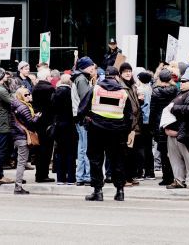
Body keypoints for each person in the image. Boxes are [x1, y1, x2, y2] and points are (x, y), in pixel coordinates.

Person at [79, 66, 132, 202]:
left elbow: (82, 108)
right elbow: (129, 116)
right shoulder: (123, 93)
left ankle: (98, 191)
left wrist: (84, 120)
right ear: (116, 77)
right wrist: (125, 130)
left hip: (96, 130)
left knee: (96, 160)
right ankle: (120, 191)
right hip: (117, 131)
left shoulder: (95, 89)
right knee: (117, 160)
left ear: (104, 76)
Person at [149, 67, 178, 186]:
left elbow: (153, 110)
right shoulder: (175, 90)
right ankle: (175, 175)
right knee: (173, 151)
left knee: (163, 151)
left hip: (159, 123)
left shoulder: (155, 91)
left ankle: (166, 177)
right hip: (171, 121)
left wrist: (151, 126)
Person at [71, 57, 96, 186]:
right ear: (85, 67)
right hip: (83, 117)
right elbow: (86, 99)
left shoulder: (80, 78)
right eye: (91, 65)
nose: (93, 67)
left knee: (82, 148)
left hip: (79, 116)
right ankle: (86, 176)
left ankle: (81, 176)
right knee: (86, 148)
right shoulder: (81, 79)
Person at [11, 86, 41, 195]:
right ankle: (18, 186)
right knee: (21, 163)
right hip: (22, 137)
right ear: (20, 96)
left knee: (21, 161)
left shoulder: (16, 105)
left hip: (17, 136)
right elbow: (31, 123)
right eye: (26, 95)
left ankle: (18, 184)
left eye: (29, 93)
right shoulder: (23, 107)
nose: (29, 96)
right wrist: (37, 116)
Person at [51, 72, 79, 185]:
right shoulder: (71, 93)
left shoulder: (55, 93)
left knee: (60, 152)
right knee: (71, 152)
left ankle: (60, 178)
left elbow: (53, 109)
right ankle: (71, 178)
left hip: (58, 125)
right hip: (70, 125)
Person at [31, 69, 55, 184]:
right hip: (47, 122)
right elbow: (53, 105)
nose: (51, 78)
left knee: (39, 149)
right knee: (46, 149)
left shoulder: (35, 88)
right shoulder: (49, 88)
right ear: (46, 77)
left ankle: (39, 174)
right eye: (50, 76)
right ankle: (43, 175)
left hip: (38, 121)